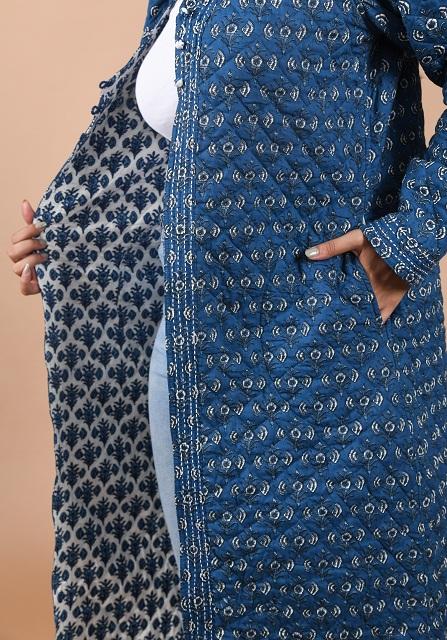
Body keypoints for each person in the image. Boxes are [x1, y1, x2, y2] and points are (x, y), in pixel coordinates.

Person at [6, 0, 447, 637]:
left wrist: (404, 241)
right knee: (208, 611)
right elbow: (187, 159)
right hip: (192, 366)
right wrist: (78, 241)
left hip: (337, 363)